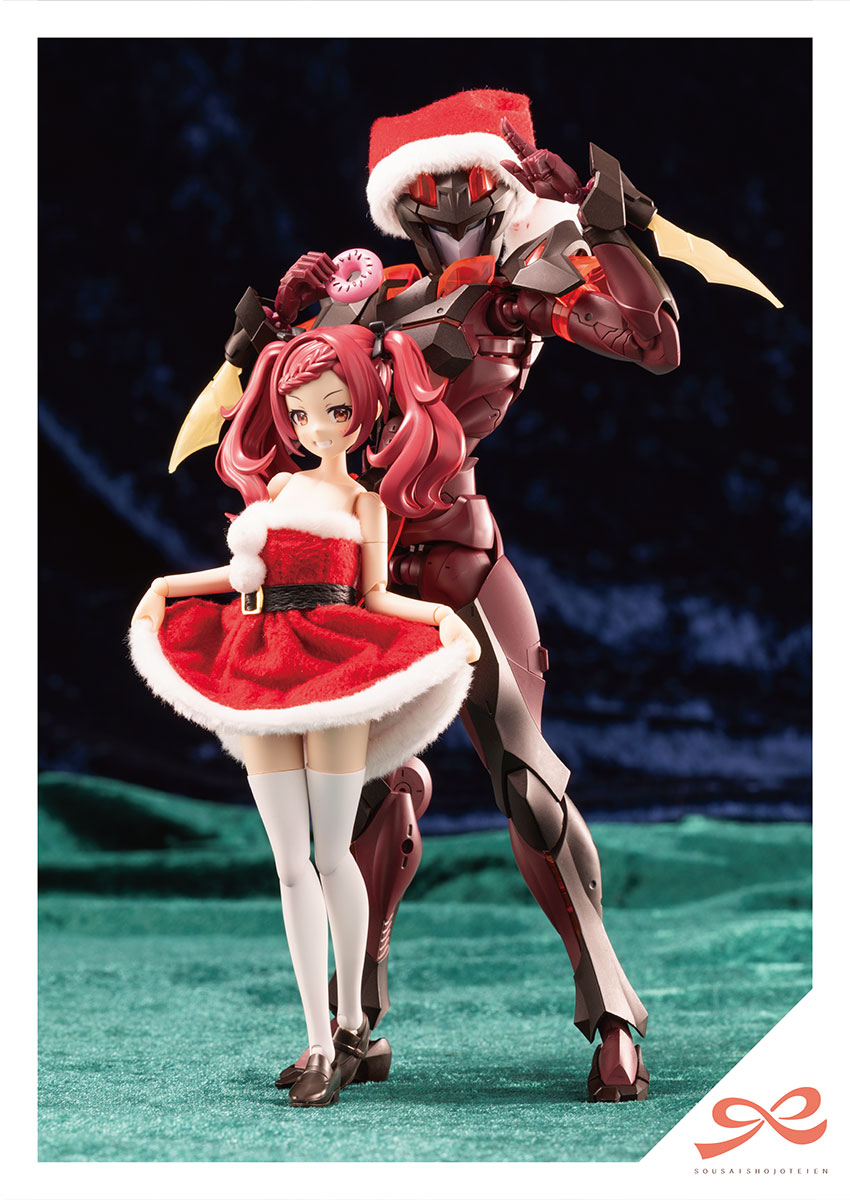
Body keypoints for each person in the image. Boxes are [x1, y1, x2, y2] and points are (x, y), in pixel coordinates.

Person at [130, 325, 480, 1107]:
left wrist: (440, 618)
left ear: (365, 410)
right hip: (259, 662)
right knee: (290, 863)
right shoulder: (282, 489)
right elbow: (241, 574)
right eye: (300, 412)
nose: (317, 427)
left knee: (331, 856)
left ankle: (353, 1027)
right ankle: (319, 1037)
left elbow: (376, 595)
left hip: (336, 662)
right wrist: (169, 587)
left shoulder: (365, 502)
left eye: (335, 410)